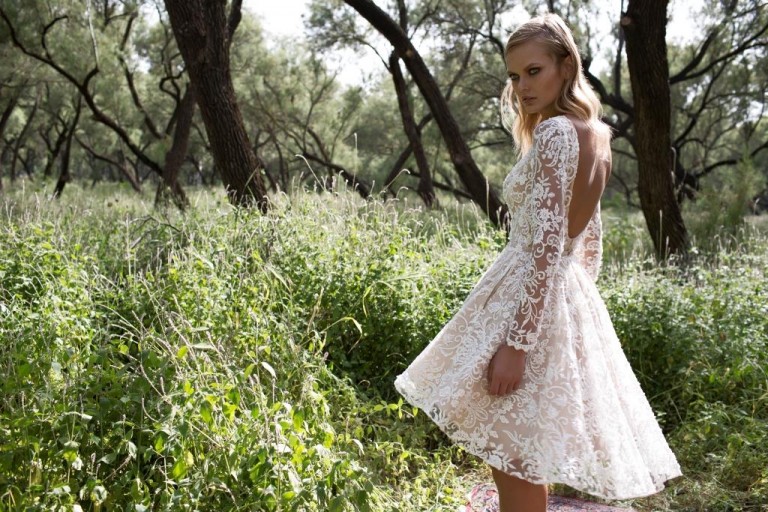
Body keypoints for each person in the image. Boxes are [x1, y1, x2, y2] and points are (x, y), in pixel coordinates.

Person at [394, 13, 682, 512]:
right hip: (561, 295)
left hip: (530, 302)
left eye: (533, 71)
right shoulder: (597, 134)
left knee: (513, 456)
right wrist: (571, 309)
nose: (521, 87)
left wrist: (519, 343)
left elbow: (548, 245)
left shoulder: (555, 134)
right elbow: (589, 238)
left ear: (566, 66)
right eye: (514, 75)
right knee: (525, 450)